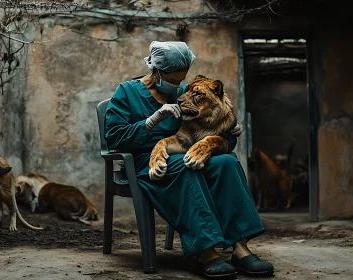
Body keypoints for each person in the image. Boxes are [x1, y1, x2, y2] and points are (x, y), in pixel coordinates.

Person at [104, 41, 274, 279]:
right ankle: (205, 251)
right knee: (186, 168)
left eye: (180, 80)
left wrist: (228, 131)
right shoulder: (127, 92)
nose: (177, 86)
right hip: (145, 163)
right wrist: (150, 122)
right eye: (172, 80)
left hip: (185, 151)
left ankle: (240, 246)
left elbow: (205, 133)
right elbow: (113, 137)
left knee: (227, 162)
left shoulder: (185, 92)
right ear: (156, 71)